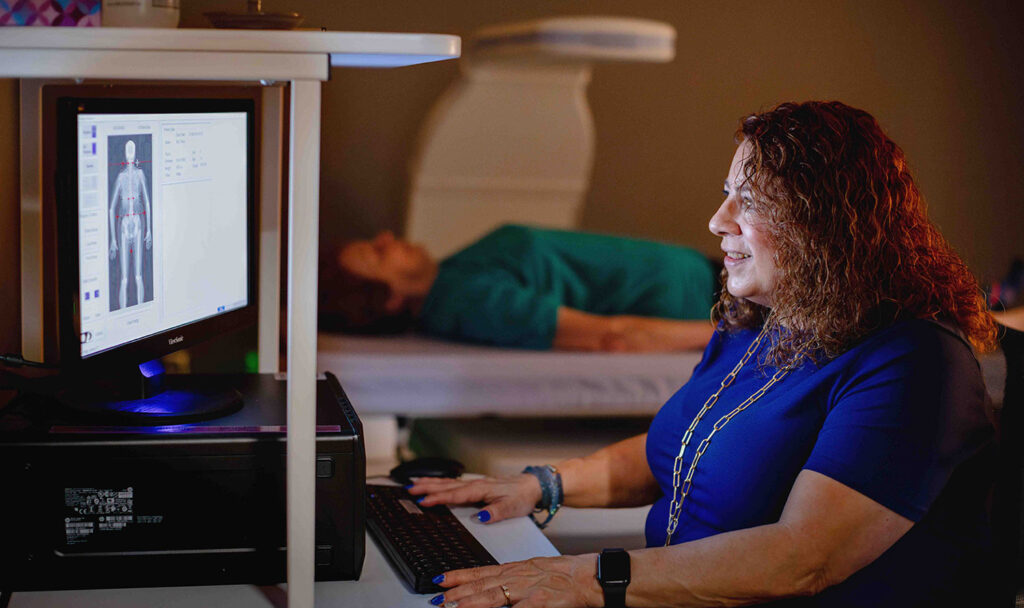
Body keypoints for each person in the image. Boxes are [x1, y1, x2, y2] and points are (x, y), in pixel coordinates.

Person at [407, 101, 999, 608]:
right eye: (726, 196)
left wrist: (586, 579)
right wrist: (541, 486)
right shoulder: (758, 324)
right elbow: (682, 446)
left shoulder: (915, 361)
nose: (718, 221)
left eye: (750, 201)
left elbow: (804, 559)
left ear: (825, 224)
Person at [321, 225, 717, 351]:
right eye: (376, 254)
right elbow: (610, 337)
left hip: (705, 276)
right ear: (390, 298)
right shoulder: (468, 301)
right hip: (708, 300)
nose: (386, 237)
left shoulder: (453, 275)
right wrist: (730, 332)